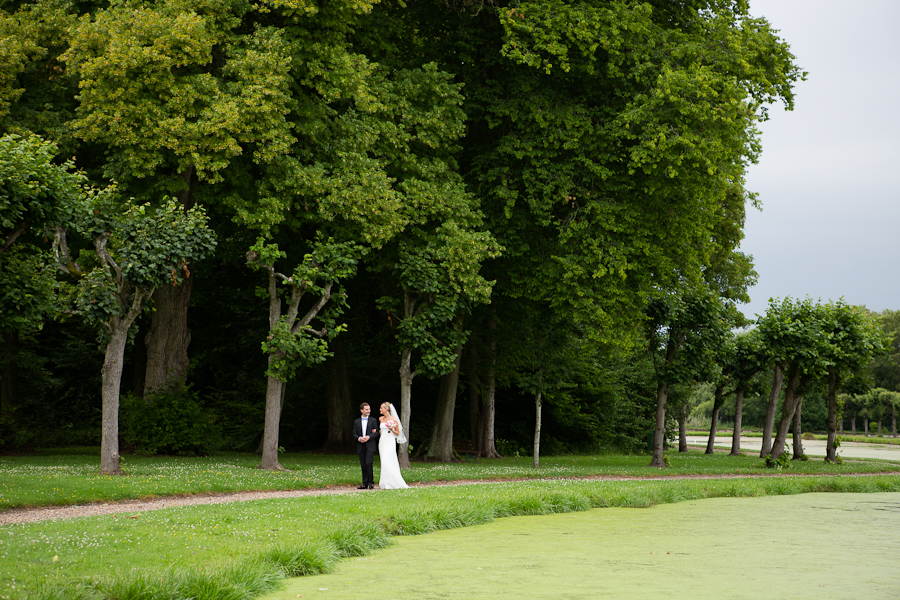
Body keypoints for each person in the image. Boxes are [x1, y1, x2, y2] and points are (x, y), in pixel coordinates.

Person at [377, 402, 409, 490]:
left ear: (386, 409)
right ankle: (385, 482)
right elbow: (381, 430)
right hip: (382, 441)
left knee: (387, 461)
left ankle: (394, 481)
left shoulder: (394, 420)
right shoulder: (380, 419)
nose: (380, 410)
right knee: (383, 461)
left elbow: (397, 433)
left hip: (390, 441)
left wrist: (391, 429)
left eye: (381, 408)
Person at [353, 402, 380, 489]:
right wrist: (359, 438)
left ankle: (371, 482)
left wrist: (369, 436)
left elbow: (377, 433)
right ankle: (364, 483)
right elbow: (354, 433)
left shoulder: (373, 420)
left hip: (370, 445)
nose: (368, 411)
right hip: (361, 445)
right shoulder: (356, 422)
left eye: (369, 409)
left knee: (369, 463)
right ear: (361, 410)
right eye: (366, 409)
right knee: (363, 464)